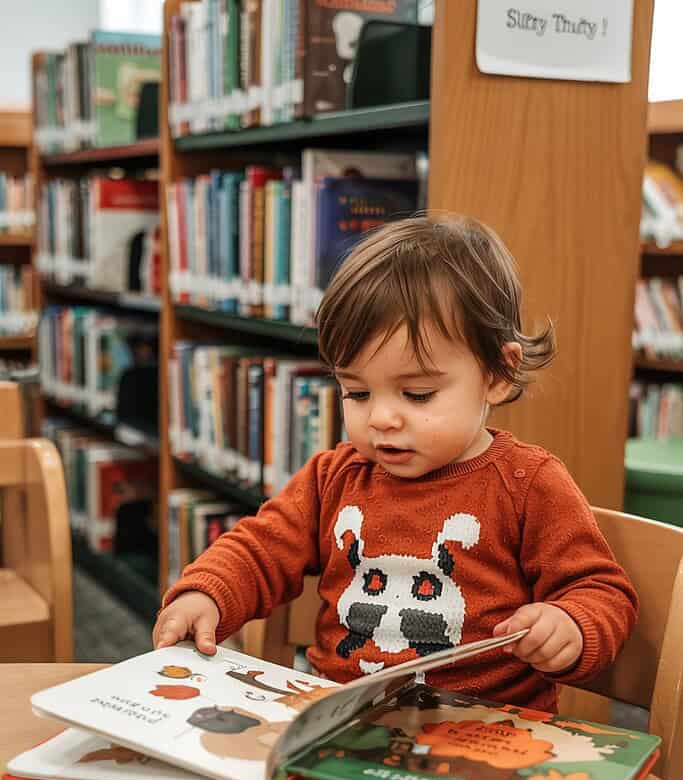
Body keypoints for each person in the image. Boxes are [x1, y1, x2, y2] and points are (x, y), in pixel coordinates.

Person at [154, 215, 637, 711]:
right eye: (357, 392)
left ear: (498, 373)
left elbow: (599, 588)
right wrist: (207, 594)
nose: (382, 418)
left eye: (418, 394)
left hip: (485, 738)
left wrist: (572, 626)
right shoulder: (334, 477)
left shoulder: (528, 483)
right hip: (343, 724)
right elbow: (258, 549)